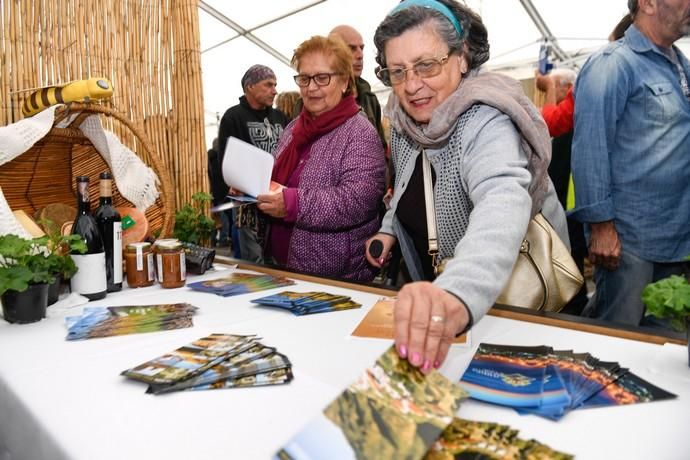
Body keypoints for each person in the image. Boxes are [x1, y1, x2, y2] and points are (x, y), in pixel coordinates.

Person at [366, 0, 567, 372]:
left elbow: (502, 199)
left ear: (461, 57)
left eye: (426, 65)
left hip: (498, 298)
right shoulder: (403, 120)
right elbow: (408, 184)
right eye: (398, 71)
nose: (412, 86)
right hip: (444, 293)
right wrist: (388, 229)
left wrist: (457, 292)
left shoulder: (487, 117)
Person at [571, 0, 690, 328]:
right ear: (649, 3)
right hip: (629, 244)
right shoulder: (613, 64)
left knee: (662, 346)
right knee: (616, 343)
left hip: (676, 240)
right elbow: (590, 149)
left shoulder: (680, 64)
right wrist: (601, 227)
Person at [256, 35, 386, 282]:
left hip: (334, 277)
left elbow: (358, 200)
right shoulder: (294, 128)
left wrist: (294, 204)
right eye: (304, 78)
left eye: (322, 78)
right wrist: (252, 185)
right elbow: (277, 178)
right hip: (281, 265)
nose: (311, 87)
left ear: (345, 81)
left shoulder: (359, 133)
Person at [217, 64, 289, 263]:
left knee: (278, 259)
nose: (274, 90)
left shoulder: (280, 117)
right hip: (248, 203)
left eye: (275, 85)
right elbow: (226, 160)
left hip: (278, 199)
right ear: (250, 86)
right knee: (253, 263)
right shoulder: (233, 117)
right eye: (268, 85)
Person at [535, 68, 588, 315]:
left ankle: (574, 309)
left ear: (568, 88)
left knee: (571, 258)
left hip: (574, 202)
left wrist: (550, 90)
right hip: (570, 200)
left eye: (559, 87)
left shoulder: (579, 99)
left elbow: (547, 122)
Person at [329, 25, 387, 150]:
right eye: (351, 49)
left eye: (362, 48)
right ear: (332, 53)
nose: (360, 55)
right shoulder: (316, 99)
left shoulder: (370, 99)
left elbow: (380, 147)